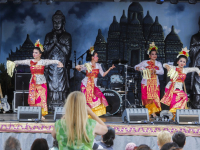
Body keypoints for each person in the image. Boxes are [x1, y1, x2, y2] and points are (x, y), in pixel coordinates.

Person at [8, 40, 64, 119]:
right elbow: (22, 62)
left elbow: (52, 61)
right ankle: (33, 113)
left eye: (36, 53)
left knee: (41, 98)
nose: (34, 54)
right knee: (33, 98)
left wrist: (59, 62)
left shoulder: (43, 62)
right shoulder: (30, 62)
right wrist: (14, 62)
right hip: (33, 83)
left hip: (42, 83)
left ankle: (40, 114)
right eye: (33, 52)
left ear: (40, 54)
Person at [75, 46, 115, 116]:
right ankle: (87, 114)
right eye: (96, 56)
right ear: (92, 57)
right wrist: (78, 67)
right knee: (89, 100)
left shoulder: (98, 65)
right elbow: (78, 68)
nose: (98, 57)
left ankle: (95, 114)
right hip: (86, 85)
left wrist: (110, 69)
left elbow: (103, 75)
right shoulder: (87, 64)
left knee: (100, 96)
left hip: (94, 85)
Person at [161, 47, 200, 115]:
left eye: (184, 62)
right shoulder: (174, 68)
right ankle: (173, 114)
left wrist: (199, 72)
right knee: (175, 101)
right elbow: (164, 64)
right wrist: (167, 66)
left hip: (179, 89)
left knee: (184, 98)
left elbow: (196, 68)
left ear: (185, 64)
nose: (182, 63)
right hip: (170, 88)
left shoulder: (185, 70)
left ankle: (175, 114)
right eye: (181, 61)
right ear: (177, 62)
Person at [134, 42, 164, 118]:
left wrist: (155, 71)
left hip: (155, 83)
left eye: (155, 54)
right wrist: (138, 68)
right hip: (146, 83)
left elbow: (162, 72)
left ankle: (153, 113)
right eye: (152, 54)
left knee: (154, 98)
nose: (154, 56)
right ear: (149, 55)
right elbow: (136, 66)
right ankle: (149, 113)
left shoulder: (158, 63)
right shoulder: (145, 62)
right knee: (147, 98)